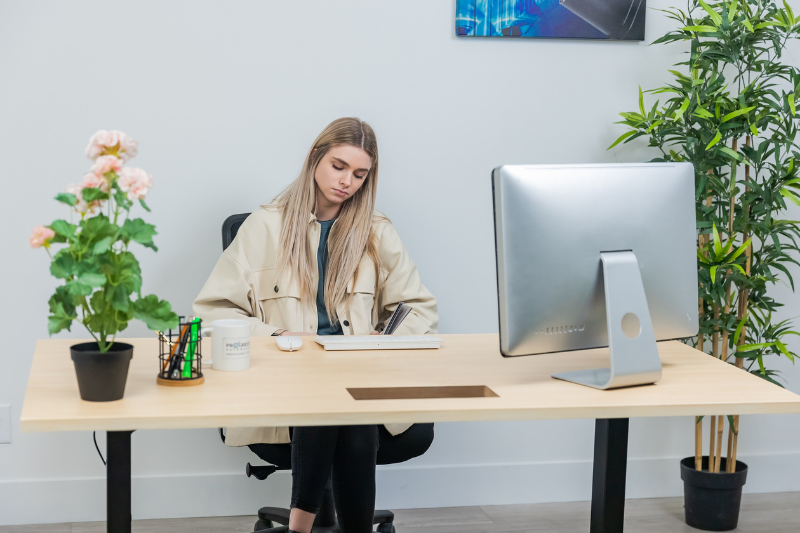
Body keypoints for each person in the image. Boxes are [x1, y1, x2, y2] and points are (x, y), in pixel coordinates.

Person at [193, 117, 438, 533]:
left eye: (360, 174)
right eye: (338, 166)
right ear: (315, 159)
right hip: (289, 383)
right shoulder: (264, 227)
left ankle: (299, 528)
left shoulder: (377, 232)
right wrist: (277, 336)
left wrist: (386, 339)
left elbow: (419, 309)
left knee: (345, 408)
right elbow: (212, 316)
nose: (347, 181)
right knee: (328, 405)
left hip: (360, 379)